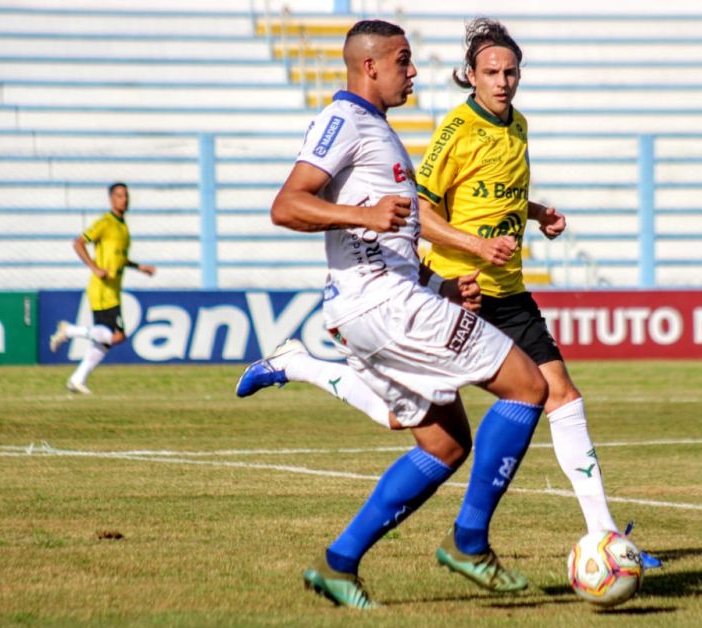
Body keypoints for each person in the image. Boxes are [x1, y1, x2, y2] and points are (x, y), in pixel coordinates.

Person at [237, 18, 660, 569]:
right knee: (497, 401)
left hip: (485, 291)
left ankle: (599, 534)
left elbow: (481, 198)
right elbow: (420, 208)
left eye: (511, 72)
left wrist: (533, 214)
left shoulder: (515, 127)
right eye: (491, 72)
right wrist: (465, 252)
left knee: (516, 413)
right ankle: (467, 539)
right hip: (446, 291)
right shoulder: (442, 129)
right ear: (472, 76)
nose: (503, 81)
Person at [264, 19, 548, 610]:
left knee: (443, 444)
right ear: (370, 66)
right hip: (384, 307)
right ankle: (469, 543)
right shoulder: (344, 121)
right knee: (528, 385)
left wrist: (440, 284)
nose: (414, 71)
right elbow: (287, 206)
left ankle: (337, 563)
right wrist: (365, 218)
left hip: (383, 301)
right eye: (403, 60)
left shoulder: (376, 130)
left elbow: (388, 236)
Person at [48, 182, 155, 394]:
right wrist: (95, 268)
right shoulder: (105, 223)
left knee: (104, 341)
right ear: (111, 199)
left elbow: (119, 259)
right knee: (117, 336)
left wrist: (138, 267)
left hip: (113, 290)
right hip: (102, 290)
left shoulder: (122, 227)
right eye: (119, 196)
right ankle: (68, 330)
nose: (124, 199)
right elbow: (78, 242)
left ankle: (77, 379)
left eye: (126, 196)